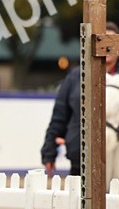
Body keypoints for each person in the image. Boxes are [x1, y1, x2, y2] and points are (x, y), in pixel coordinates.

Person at [41, 22, 119, 177]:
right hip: (81, 158)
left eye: (111, 41)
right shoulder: (77, 76)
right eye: (102, 41)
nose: (107, 47)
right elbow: (60, 115)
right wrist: (49, 151)